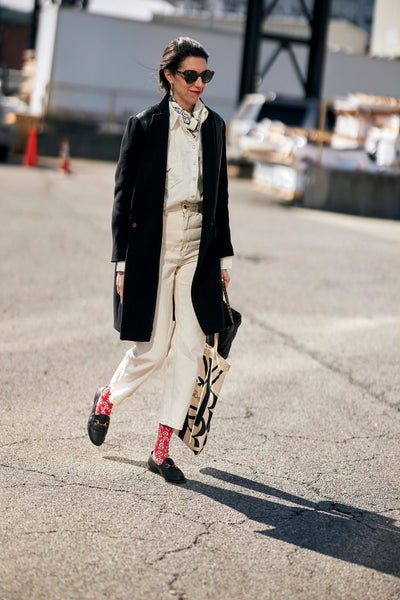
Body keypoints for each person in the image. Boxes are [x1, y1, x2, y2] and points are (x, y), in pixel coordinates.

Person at [87, 36, 233, 484]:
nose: (199, 84)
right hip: (154, 246)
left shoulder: (215, 127)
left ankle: (162, 448)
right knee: (153, 348)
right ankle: (107, 397)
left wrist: (224, 258)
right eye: (191, 75)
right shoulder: (146, 124)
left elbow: (220, 197)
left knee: (189, 348)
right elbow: (122, 199)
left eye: (205, 75)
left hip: (199, 248)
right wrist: (121, 264)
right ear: (169, 76)